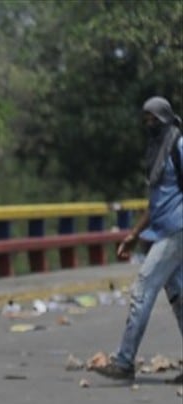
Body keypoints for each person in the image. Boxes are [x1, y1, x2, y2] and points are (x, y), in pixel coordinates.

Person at [92, 96, 183, 384]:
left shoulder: (179, 146)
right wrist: (134, 234)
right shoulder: (156, 151)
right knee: (179, 296)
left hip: (176, 230)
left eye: (154, 119)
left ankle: (124, 361)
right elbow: (155, 203)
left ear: (166, 118)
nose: (149, 124)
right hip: (162, 229)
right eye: (146, 119)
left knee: (144, 286)